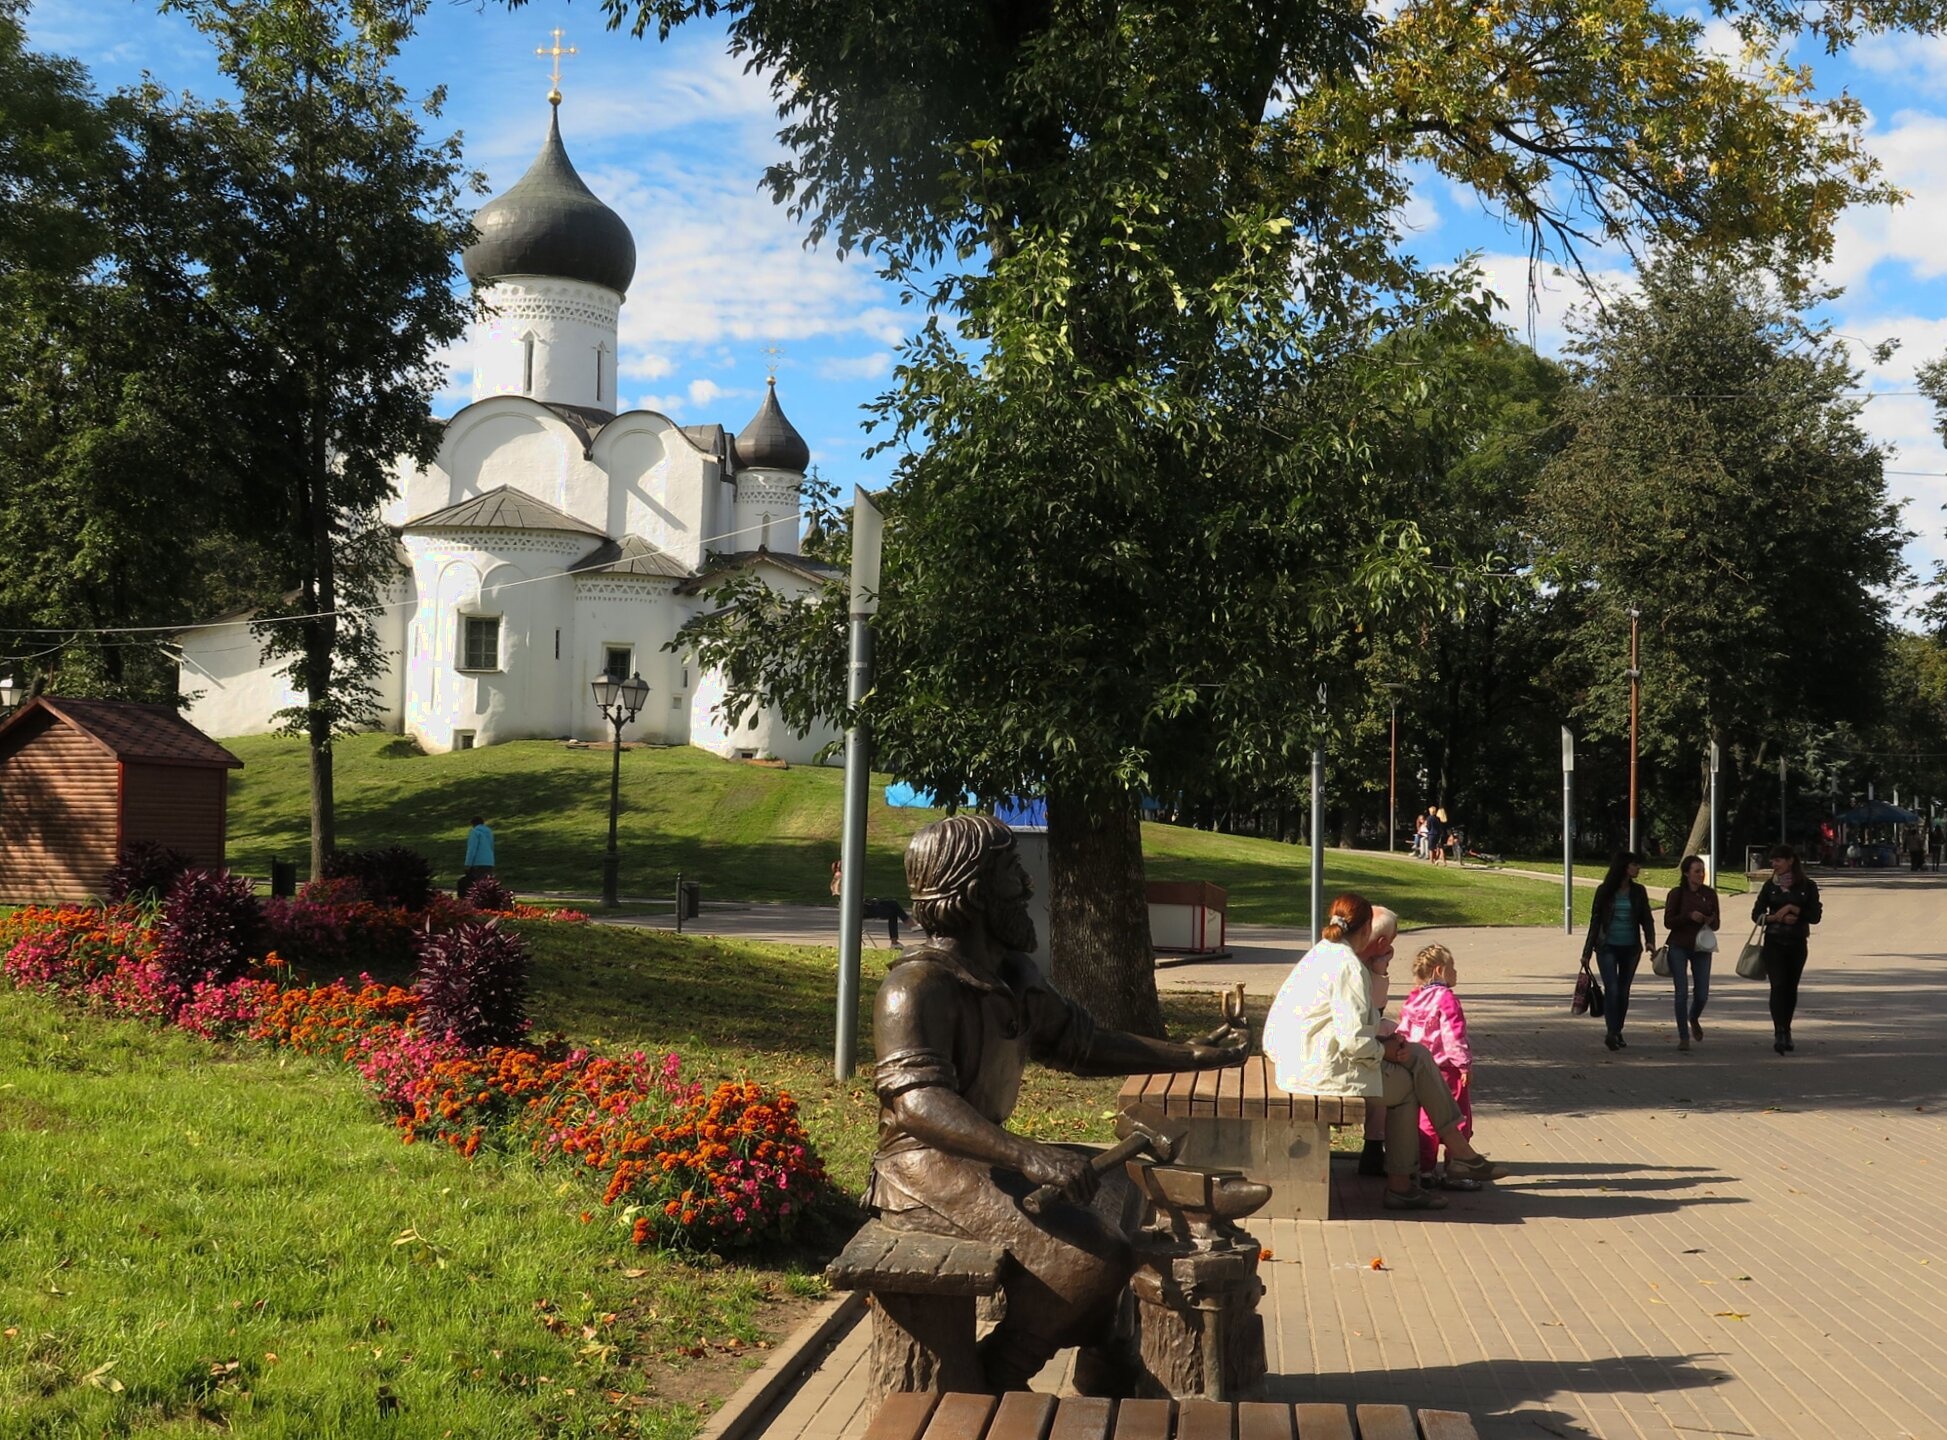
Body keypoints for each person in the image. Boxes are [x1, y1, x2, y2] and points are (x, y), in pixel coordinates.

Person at [868, 814, 1248, 1392]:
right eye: (1011, 874)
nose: (1027, 889)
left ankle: (1107, 1353)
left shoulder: (1013, 975)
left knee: (1121, 1195)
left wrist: (1190, 1055)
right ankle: (993, 1379)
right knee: (1092, 1255)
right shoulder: (915, 988)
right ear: (973, 892)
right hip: (920, 1169)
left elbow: (1084, 1045)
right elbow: (917, 1103)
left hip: (980, 1157)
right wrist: (1026, 1155)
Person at [1263, 892, 1503, 1212]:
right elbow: (1352, 1040)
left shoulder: (1324, 953)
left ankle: (1456, 1154)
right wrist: (1384, 1050)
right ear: (1366, 930)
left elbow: (1351, 1024)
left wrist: (1387, 1043)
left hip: (1306, 1058)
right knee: (1406, 1089)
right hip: (1318, 1068)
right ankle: (1416, 1178)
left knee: (1417, 1055)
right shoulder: (1348, 966)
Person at [1397, 944, 1476, 1190]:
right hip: (1447, 1068)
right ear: (1440, 970)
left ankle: (1425, 1169)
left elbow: (1403, 1031)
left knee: (1426, 1121)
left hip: (1420, 1067)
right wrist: (1464, 1065)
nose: (1456, 972)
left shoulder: (1414, 998)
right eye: (1452, 967)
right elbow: (1453, 1035)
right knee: (1457, 1118)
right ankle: (1458, 1168)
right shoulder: (1447, 999)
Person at [1751, 845, 1822, 1054]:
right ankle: (1779, 1031)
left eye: (1778, 860)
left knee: (1791, 988)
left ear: (1790, 861)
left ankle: (1787, 1029)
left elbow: (1815, 916)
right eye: (1772, 861)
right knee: (1778, 985)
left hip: (1797, 942)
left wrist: (1794, 910)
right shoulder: (1769, 887)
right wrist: (1776, 916)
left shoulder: (1807, 886)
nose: (1774, 865)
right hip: (1774, 942)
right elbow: (1756, 915)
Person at [1581, 851, 1655, 1052]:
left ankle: (1617, 1029)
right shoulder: (1604, 891)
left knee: (1623, 992)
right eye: (1635, 865)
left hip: (1631, 948)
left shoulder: (1638, 891)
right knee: (1612, 990)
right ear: (1624, 867)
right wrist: (1586, 952)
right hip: (1607, 947)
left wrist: (1650, 941)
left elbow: (1647, 918)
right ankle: (1611, 1032)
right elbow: (1595, 921)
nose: (1638, 868)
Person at [1661, 855, 1720, 1052]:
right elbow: (1668, 921)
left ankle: (1693, 1017)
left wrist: (1708, 919)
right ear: (1687, 873)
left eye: (1702, 871)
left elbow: (1717, 924)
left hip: (1702, 946)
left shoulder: (1710, 894)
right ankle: (1683, 1036)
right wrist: (1688, 916)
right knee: (1681, 992)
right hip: (1679, 945)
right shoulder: (1677, 893)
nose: (1701, 875)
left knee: (1702, 993)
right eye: (1697, 871)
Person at [463, 816, 495, 895]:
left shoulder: (475, 832)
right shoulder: (489, 832)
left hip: (478, 862)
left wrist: (468, 863)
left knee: (478, 885)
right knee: (487, 885)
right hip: (489, 861)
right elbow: (491, 846)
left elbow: (472, 849)